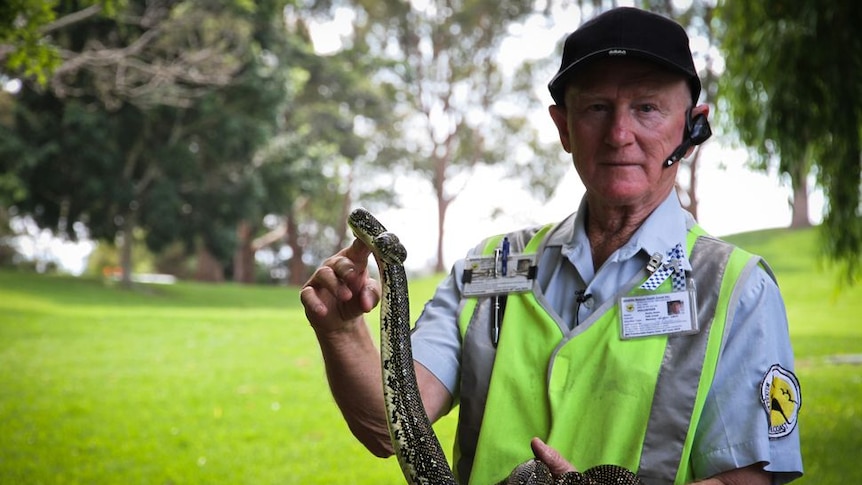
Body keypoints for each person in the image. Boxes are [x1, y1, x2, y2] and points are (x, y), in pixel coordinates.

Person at [300, 7, 803, 485]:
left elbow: (747, 477)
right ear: (564, 127)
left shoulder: (736, 289)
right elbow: (391, 429)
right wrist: (342, 333)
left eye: (647, 108)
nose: (619, 134)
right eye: (597, 109)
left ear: (692, 127)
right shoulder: (489, 268)